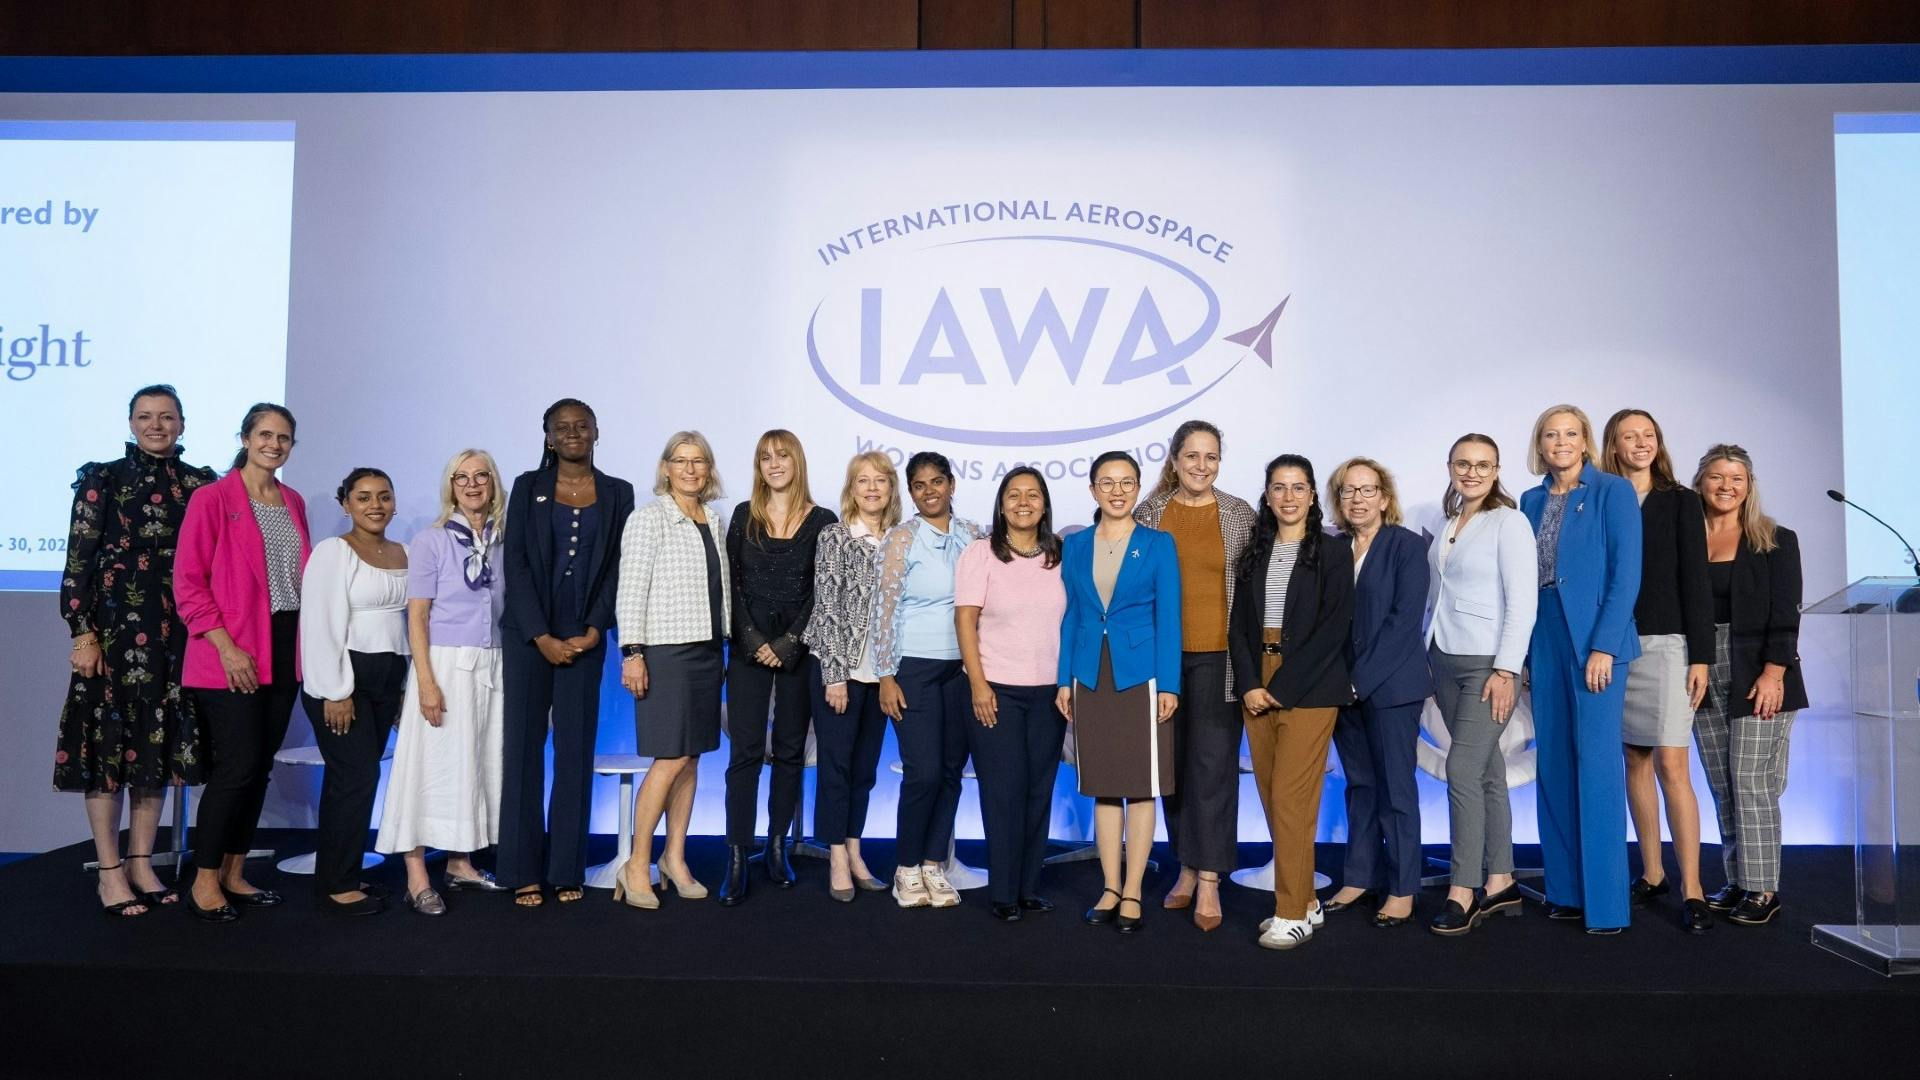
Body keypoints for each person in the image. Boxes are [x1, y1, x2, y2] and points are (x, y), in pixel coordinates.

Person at [57, 384, 217, 916]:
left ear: (182, 424)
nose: (156, 426)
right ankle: (109, 871)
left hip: (177, 633)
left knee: (156, 745)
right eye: (146, 417)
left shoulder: (201, 484)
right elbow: (79, 559)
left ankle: (142, 862)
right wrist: (83, 632)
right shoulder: (103, 478)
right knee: (106, 748)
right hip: (111, 633)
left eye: (167, 417)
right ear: (130, 423)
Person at [174, 402, 311, 922]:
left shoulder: (293, 500)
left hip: (282, 648)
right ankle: (204, 881)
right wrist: (227, 647)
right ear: (246, 438)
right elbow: (188, 584)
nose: (274, 444)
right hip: (229, 650)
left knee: (257, 772)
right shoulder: (212, 499)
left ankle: (233, 872)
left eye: (284, 438)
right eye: (265, 435)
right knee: (234, 769)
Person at [499, 398, 635, 907]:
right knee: (523, 752)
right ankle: (520, 869)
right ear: (548, 436)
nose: (574, 433)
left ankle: (565, 869)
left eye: (582, 425)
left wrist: (597, 627)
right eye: (563, 427)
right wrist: (541, 636)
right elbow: (517, 566)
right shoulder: (527, 487)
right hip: (529, 640)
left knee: (575, 754)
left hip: (586, 640)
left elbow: (620, 565)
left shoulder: (619, 492)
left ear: (597, 431)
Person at [1521, 404, 1642, 935]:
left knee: (1595, 766)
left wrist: (1605, 647)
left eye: (1571, 433)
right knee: (1554, 765)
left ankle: (1607, 905)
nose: (1561, 442)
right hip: (1542, 633)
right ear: (1540, 445)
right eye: (1551, 434)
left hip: (1594, 638)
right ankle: (1566, 891)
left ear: (1587, 440)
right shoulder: (1528, 499)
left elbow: (1625, 575)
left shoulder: (1613, 492)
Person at [1132, 419, 1255, 931]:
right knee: (1174, 771)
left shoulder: (1240, 515)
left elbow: (1251, 594)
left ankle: (1210, 878)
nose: (1201, 466)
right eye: (1192, 456)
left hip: (1220, 660)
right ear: (1175, 459)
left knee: (1214, 770)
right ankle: (1185, 865)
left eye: (1211, 457)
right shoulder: (1149, 513)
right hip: (1162, 661)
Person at [376, 449, 512, 915]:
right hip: (443, 664)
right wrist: (427, 682)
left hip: (490, 664)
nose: (472, 485)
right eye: (462, 477)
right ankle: (416, 873)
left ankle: (461, 861)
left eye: (481, 476)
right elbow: (417, 615)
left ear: (493, 483)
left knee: (473, 763)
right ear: (450, 486)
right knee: (427, 766)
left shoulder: (501, 541)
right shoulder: (432, 541)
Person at [1229, 454, 1354, 949]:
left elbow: (1333, 632)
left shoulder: (1332, 553)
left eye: (1298, 487)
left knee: (1290, 798)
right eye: (1278, 488)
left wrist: (1278, 690)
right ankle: (1305, 901)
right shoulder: (1253, 553)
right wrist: (1248, 684)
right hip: (1256, 679)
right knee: (1273, 797)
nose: (1288, 497)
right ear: (1266, 495)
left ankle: (1289, 912)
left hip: (1310, 685)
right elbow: (1239, 626)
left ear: (1312, 495)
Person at [1600, 410, 1715, 934]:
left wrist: (1701, 656)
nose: (1641, 443)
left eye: (1649, 435)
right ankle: (1651, 873)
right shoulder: (1600, 496)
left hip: (1667, 643)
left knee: (1672, 763)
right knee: (1635, 758)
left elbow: (1696, 579)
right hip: (1612, 644)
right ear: (1614, 445)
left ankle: (1692, 889)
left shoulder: (1680, 501)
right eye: (1630, 436)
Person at [1057, 451, 1181, 934]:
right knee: (1104, 786)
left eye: (1126, 482)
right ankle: (1110, 886)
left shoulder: (1157, 544)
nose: (1117, 491)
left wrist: (1169, 683)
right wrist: (1064, 678)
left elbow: (1168, 617)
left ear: (1137, 488)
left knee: (1141, 784)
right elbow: (1072, 616)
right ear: (1092, 490)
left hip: (1141, 674)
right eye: (1106, 482)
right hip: (1090, 674)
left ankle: (1133, 891)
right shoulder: (1075, 545)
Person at [1424, 434, 1537, 937]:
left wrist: (1508, 669)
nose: (1472, 472)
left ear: (1496, 470)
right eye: (1463, 464)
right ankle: (1501, 879)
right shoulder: (1450, 523)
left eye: (1483, 465)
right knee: (1487, 772)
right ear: (1450, 467)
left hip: (1487, 665)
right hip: (1443, 659)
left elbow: (1523, 602)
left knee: (1462, 770)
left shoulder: (1509, 522)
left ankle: (1462, 888)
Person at [614, 431, 730, 909]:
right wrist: (632, 652)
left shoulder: (715, 520)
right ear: (665, 468)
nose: (690, 469)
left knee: (693, 757)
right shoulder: (647, 520)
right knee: (669, 758)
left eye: (698, 461)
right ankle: (636, 863)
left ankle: (675, 858)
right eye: (681, 461)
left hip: (707, 650)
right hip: (664, 651)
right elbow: (631, 588)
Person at [1692, 444, 1807, 927]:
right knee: (1722, 782)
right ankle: (1738, 878)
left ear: (1749, 486)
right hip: (1700, 667)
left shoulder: (1775, 539)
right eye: (1717, 477)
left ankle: (1763, 888)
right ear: (1700, 482)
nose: (1726, 486)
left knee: (1752, 780)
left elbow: (1786, 610)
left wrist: (1773, 672)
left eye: (1736, 478)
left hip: (1760, 669)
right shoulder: (1687, 540)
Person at [720, 430, 837, 902]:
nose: (774, 464)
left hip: (799, 651)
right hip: (748, 648)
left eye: (782, 455)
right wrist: (752, 640)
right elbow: (732, 584)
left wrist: (788, 643)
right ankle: (735, 855)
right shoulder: (742, 517)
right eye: (765, 457)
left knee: (789, 752)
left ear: (798, 462)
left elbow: (822, 591)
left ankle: (776, 846)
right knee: (744, 753)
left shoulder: (824, 520)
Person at [872, 451, 984, 909]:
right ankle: (906, 867)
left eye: (938, 482)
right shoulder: (901, 538)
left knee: (952, 772)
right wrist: (885, 675)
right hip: (913, 667)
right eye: (920, 485)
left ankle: (935, 864)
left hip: (961, 668)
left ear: (952, 484)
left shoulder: (974, 536)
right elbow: (884, 609)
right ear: (911, 492)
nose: (930, 491)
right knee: (923, 771)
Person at [956, 467, 1068, 922]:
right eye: (1014, 495)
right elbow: (965, 620)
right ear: (1001, 504)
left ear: (1044, 504)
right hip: (995, 690)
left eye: (1033, 495)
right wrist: (978, 684)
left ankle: (1027, 887)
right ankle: (1003, 891)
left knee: (1039, 791)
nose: (1024, 502)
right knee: (1004, 792)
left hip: (1049, 693)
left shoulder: (1062, 555)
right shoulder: (980, 554)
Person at [1325, 457, 1430, 928]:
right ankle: (1358, 876)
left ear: (1385, 499)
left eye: (1368, 490)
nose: (1358, 499)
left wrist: (1356, 681)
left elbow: (1402, 624)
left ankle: (1403, 887)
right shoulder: (1333, 549)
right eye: (1349, 491)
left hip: (1390, 689)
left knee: (1396, 790)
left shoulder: (1406, 547)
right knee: (1361, 787)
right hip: (1342, 690)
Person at [299, 468, 410, 916]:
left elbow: (403, 625)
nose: (375, 505)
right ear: (346, 504)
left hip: (387, 676)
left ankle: (339, 873)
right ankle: (338, 886)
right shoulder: (333, 552)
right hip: (345, 678)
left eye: (384, 496)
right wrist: (334, 691)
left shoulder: (403, 552)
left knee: (359, 780)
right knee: (356, 777)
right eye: (363, 497)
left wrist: (404, 687)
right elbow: (321, 625)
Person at [802, 450, 901, 901]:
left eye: (881, 480)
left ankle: (856, 850)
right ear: (852, 489)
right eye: (864, 481)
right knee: (837, 767)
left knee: (864, 770)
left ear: (891, 488)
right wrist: (835, 674)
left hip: (881, 676)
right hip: (839, 670)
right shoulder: (835, 537)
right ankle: (837, 855)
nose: (872, 488)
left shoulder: (902, 539)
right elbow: (826, 608)